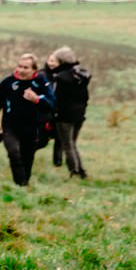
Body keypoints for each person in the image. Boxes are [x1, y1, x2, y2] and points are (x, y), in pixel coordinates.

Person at [0, 52, 55, 187]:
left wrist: (37, 99)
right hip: (10, 127)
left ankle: (24, 184)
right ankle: (20, 184)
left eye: (26, 68)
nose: (21, 70)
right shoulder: (8, 83)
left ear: (34, 69)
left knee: (27, 157)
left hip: (33, 127)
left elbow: (52, 104)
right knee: (13, 152)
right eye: (20, 66)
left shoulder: (41, 82)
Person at [46, 46, 90, 179]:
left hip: (64, 116)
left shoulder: (61, 78)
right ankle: (81, 171)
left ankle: (74, 172)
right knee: (73, 144)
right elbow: (85, 97)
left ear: (62, 62)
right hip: (79, 115)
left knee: (67, 145)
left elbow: (56, 98)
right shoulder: (81, 75)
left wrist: (53, 113)